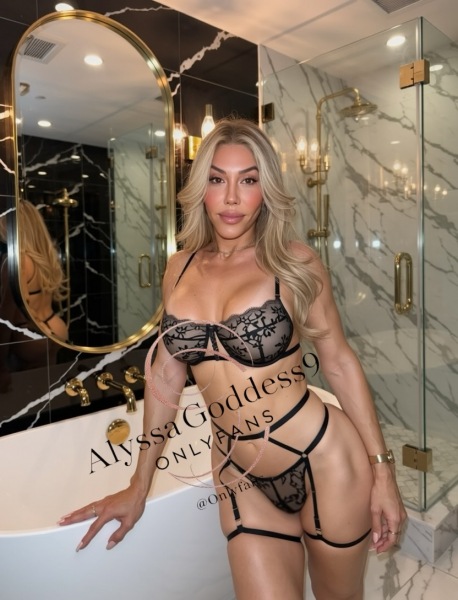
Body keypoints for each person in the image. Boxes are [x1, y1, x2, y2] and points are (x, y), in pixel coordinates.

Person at [59, 118, 406, 599]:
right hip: (238, 476)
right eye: (217, 179)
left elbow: (340, 363)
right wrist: (139, 484)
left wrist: (383, 472)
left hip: (323, 459)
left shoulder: (294, 264)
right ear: (200, 187)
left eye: (248, 180)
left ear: (266, 190)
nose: (231, 198)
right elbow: (165, 376)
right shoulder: (178, 268)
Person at [0, 200, 68, 373]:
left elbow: (7, 316)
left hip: (31, 334)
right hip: (55, 326)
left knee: (27, 386)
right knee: (48, 382)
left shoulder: (16, 261)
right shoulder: (46, 256)